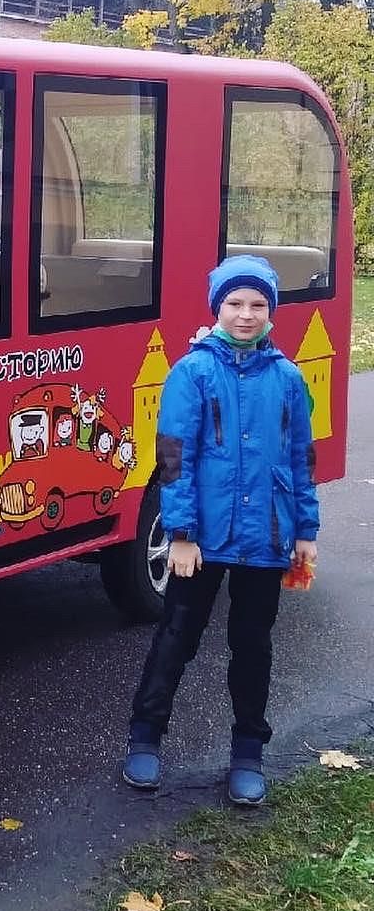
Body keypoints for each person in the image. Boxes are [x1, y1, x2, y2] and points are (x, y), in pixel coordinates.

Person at [121, 254, 319, 806]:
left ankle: (248, 752)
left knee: (252, 647)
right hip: (200, 541)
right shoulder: (192, 372)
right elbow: (173, 457)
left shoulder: (287, 378)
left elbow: (301, 458)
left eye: (258, 305)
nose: (246, 315)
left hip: (266, 539)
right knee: (177, 637)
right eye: (235, 303)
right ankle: (145, 738)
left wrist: (305, 530)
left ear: (272, 311)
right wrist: (180, 533)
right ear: (217, 308)